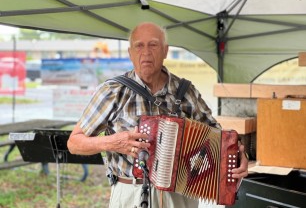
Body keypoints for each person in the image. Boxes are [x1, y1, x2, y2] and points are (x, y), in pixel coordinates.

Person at [67, 22, 248, 208]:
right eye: (139, 45)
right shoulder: (113, 91)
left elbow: (219, 140)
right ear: (130, 53)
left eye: (153, 45)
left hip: (180, 197)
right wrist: (112, 142)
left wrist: (239, 156)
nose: (146, 52)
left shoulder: (186, 91)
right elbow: (74, 142)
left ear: (165, 51)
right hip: (131, 194)